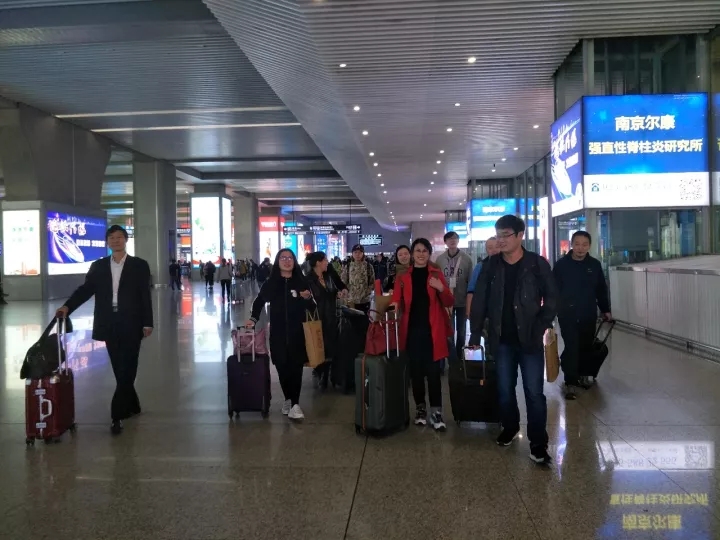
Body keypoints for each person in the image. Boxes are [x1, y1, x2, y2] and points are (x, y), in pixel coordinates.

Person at [469, 215, 557, 465]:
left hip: (530, 338)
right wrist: (475, 333)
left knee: (534, 392)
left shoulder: (537, 264)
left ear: (520, 235)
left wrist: (540, 326)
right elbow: (480, 300)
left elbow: (552, 298)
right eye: (498, 235)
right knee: (505, 390)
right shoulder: (490, 265)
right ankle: (509, 427)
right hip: (501, 339)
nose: (500, 240)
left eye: (505, 235)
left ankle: (538, 443)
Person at [55, 225, 153, 435]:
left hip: (132, 322)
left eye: (119, 237)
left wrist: (148, 322)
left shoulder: (139, 265)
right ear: (107, 242)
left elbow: (144, 295)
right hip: (108, 321)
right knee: (119, 368)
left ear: (126, 240)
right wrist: (67, 307)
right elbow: (85, 290)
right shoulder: (98, 266)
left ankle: (116, 415)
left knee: (129, 366)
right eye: (112, 238)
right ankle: (133, 405)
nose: (115, 241)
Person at [391, 238, 454, 431]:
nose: (421, 254)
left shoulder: (435, 273)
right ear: (412, 254)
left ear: (429, 253)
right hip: (412, 331)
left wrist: (441, 288)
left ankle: (436, 411)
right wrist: (392, 307)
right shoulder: (403, 277)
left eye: (424, 251)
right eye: (417, 250)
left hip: (433, 331)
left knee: (434, 373)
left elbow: (449, 300)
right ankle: (420, 409)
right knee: (416, 373)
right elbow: (396, 299)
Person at [246, 249, 312, 420]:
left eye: (290, 258)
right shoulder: (271, 283)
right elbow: (259, 301)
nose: (287, 261)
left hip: (297, 333)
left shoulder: (301, 281)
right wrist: (253, 319)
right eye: (283, 258)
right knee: (282, 368)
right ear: (278, 261)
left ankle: (295, 404)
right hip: (278, 333)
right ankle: (288, 399)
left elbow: (312, 306)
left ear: (294, 261)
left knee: (296, 368)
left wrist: (306, 298)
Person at [553, 231, 611, 399]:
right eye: (577, 244)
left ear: (589, 246)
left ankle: (584, 375)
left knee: (586, 346)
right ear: (571, 245)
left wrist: (605, 309)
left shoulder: (594, 265)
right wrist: (551, 312)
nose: (580, 248)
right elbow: (553, 290)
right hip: (567, 313)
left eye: (584, 244)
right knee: (572, 346)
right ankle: (570, 382)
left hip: (588, 313)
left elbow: (601, 289)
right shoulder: (561, 265)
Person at [305, 251, 348, 390]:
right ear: (318, 262)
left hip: (330, 316)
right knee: (318, 346)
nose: (327, 262)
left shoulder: (329, 276)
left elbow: (336, 288)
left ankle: (327, 375)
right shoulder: (308, 279)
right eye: (325, 260)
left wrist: (340, 292)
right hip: (316, 318)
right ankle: (319, 372)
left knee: (330, 346)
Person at [435, 231, 474, 356]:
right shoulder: (440, 259)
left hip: (462, 300)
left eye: (455, 238)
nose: (452, 241)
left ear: (458, 241)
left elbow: (471, 281)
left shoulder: (467, 259)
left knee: (462, 331)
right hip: (446, 302)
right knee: (449, 330)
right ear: (445, 242)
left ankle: (460, 354)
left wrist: (470, 302)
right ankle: (451, 357)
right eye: (449, 239)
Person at [465, 237, 500, 318]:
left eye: (497, 247)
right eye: (490, 248)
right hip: (484, 308)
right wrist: (468, 310)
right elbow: (471, 290)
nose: (494, 250)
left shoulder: (507, 266)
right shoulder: (480, 266)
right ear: (486, 250)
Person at [341, 244, 375, 313]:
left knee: (364, 318)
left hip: (365, 300)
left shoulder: (369, 266)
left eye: (360, 252)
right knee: (352, 319)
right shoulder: (348, 266)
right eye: (355, 252)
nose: (357, 254)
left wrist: (367, 292)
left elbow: (372, 282)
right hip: (351, 300)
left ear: (363, 254)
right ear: (352, 254)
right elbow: (343, 282)